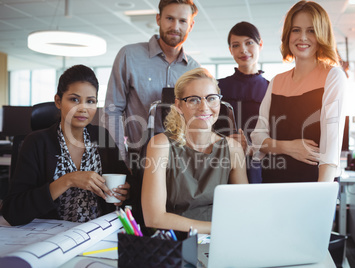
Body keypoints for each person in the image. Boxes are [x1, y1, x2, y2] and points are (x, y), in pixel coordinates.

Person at [2, 65, 132, 226]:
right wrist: (68, 180)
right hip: (49, 236)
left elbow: (127, 189)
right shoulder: (36, 143)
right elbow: (12, 211)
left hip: (96, 234)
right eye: (74, 99)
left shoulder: (102, 137)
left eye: (90, 101)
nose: (83, 108)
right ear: (58, 101)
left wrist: (124, 193)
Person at [141, 68, 248, 234]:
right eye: (193, 100)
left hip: (221, 239)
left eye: (211, 98)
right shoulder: (161, 145)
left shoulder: (233, 148)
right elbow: (154, 218)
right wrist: (217, 229)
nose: (204, 107)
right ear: (178, 106)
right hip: (177, 239)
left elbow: (244, 209)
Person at [251, 0, 347, 183]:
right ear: (288, 34)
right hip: (272, 182)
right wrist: (288, 147)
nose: (302, 37)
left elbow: (330, 150)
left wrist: (320, 199)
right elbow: (257, 138)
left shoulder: (333, 76)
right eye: (296, 30)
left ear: (322, 35)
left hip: (311, 184)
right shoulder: (277, 81)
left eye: (311, 30)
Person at [104, 0, 200, 168]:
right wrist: (122, 160)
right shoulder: (129, 55)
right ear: (158, 19)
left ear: (191, 25)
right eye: (169, 18)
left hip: (181, 162)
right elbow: (112, 111)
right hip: (138, 160)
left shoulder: (195, 69)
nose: (175, 26)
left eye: (182, 21)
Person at [218, 21, 269, 183]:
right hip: (224, 161)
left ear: (260, 44)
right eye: (236, 45)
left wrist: (253, 149)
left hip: (262, 163)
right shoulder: (217, 87)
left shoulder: (271, 88)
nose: (243, 50)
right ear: (230, 50)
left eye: (249, 43)